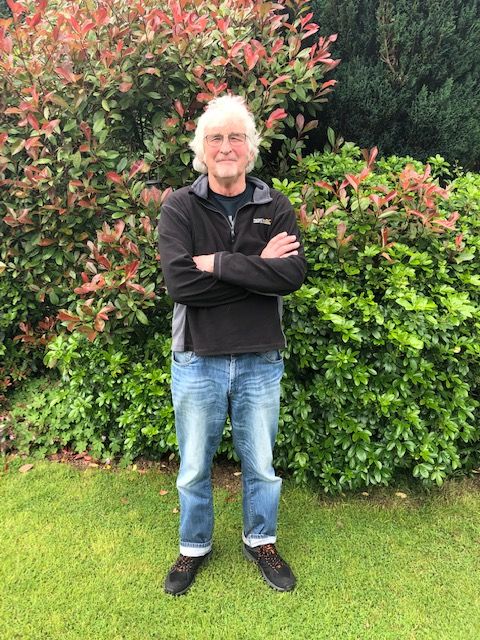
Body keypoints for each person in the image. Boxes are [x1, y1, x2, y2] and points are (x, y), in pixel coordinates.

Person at [157, 94, 306, 596]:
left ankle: (260, 539)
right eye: (215, 138)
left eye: (235, 137)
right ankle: (193, 546)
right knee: (194, 466)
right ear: (202, 150)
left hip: (261, 356)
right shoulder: (180, 206)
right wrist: (258, 267)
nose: (226, 147)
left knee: (260, 464)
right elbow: (181, 284)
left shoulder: (274, 205)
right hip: (196, 356)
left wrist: (218, 264)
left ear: (250, 148)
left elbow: (291, 276)